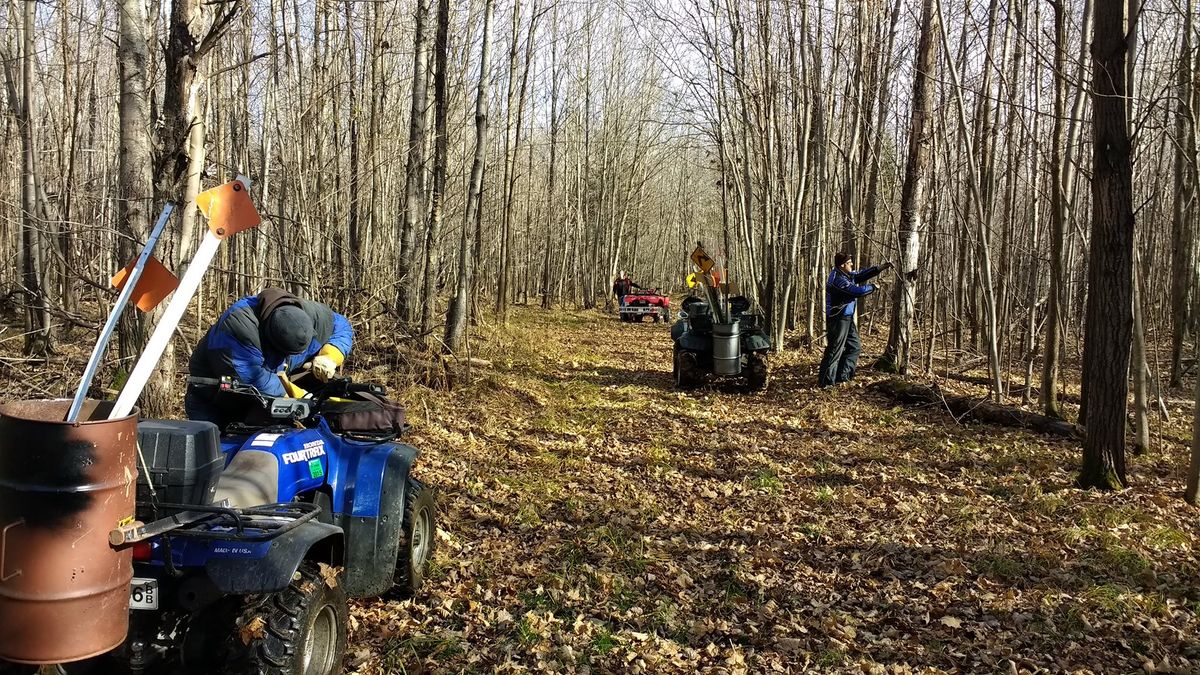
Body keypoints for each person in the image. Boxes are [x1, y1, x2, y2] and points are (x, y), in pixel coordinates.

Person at [185, 288, 354, 428]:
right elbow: (255, 380)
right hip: (214, 401)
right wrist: (304, 399)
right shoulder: (238, 329)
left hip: (261, 405)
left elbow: (342, 326)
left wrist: (330, 356)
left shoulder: (312, 315)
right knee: (214, 458)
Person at [818, 252, 892, 388]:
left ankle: (843, 377)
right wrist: (874, 286)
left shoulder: (846, 274)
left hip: (847, 318)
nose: (852, 264)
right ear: (842, 265)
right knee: (834, 350)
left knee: (854, 347)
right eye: (849, 262)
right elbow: (856, 291)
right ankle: (826, 383)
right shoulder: (837, 280)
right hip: (837, 319)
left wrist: (881, 268)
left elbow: (860, 275)